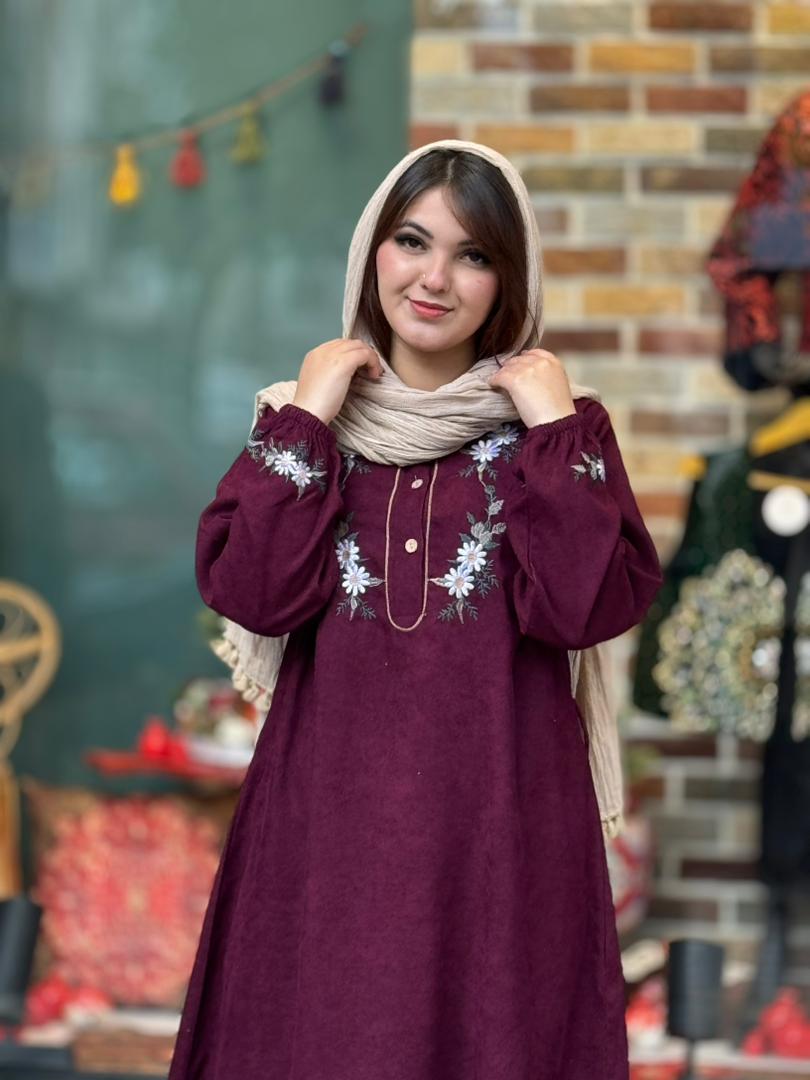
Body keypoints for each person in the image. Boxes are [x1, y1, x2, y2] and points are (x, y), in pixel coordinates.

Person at [168, 139, 662, 1080]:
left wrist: (553, 428)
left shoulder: (556, 434)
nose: (434, 279)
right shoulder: (306, 424)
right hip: (326, 836)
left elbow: (586, 607)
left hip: (500, 838)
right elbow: (254, 593)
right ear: (372, 253)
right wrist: (310, 416)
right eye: (412, 241)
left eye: (473, 255)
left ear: (509, 280)